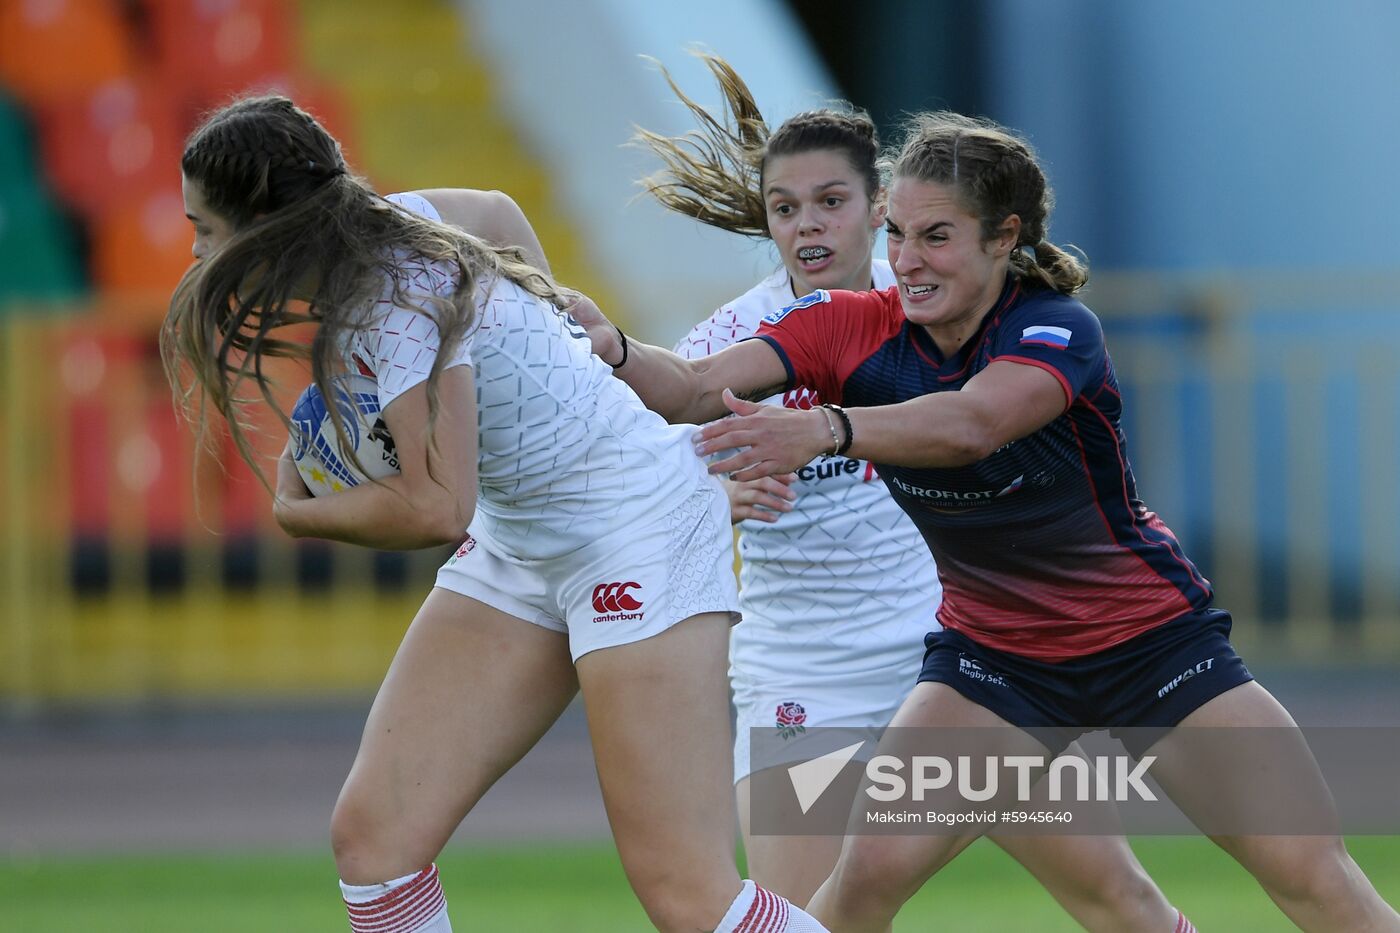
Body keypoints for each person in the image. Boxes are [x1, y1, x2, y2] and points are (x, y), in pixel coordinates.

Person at [577, 106, 1400, 932]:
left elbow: (970, 425)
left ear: (1004, 238)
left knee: (1306, 871)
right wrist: (609, 345)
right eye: (898, 235)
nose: (906, 260)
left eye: (935, 236)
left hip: (1151, 645)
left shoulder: (1056, 329)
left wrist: (826, 426)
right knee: (865, 874)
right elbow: (690, 386)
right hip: (994, 668)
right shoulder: (844, 323)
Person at [163, 94, 831, 933]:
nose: (197, 252)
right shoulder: (382, 224)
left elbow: (438, 506)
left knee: (687, 893)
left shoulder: (391, 297)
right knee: (375, 842)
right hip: (523, 540)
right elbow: (496, 213)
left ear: (266, 223)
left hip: (634, 533)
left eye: (207, 228)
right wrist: (549, 339)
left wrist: (298, 514)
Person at [634, 55, 1185, 931]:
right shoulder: (735, 338)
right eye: (785, 209)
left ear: (881, 203)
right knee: (809, 917)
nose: (808, 226)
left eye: (831, 202)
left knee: (1116, 895)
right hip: (803, 673)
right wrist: (706, 495)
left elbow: (998, 416)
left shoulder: (952, 305)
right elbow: (650, 477)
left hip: (955, 654)